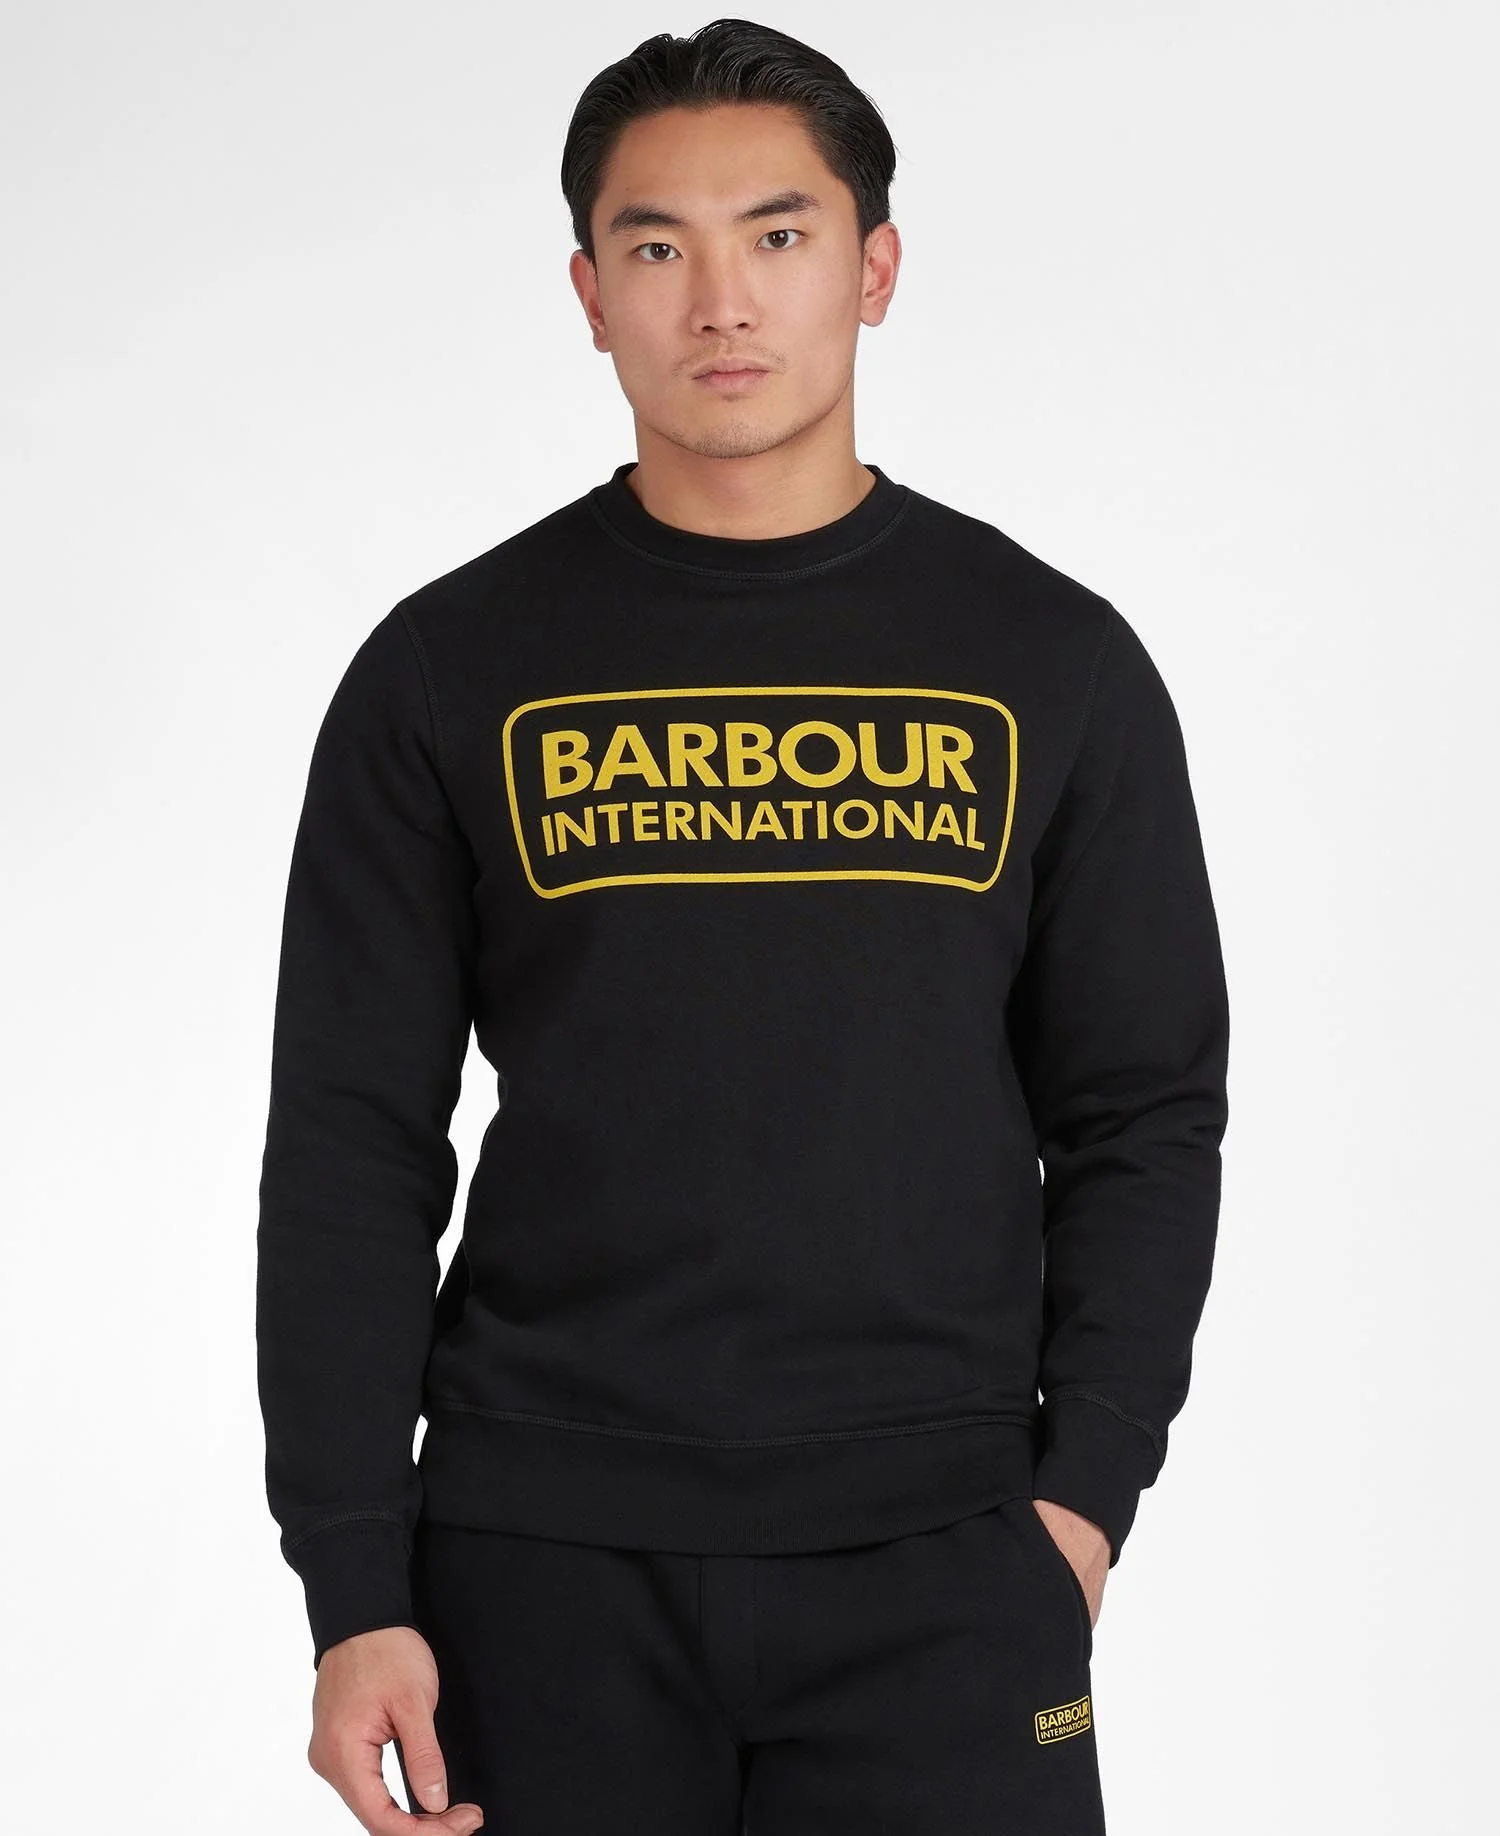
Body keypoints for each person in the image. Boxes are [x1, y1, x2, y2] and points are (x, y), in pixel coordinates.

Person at [256, 18, 1230, 1835]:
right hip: (539, 1562)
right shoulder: (447, 669)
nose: (720, 301)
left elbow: (1143, 1111)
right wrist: (353, 1581)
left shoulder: (1051, 661)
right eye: (657, 246)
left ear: (874, 269)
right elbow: (349, 1142)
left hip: (944, 1554)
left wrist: (1082, 1500)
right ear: (588, 292)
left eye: (778, 235)